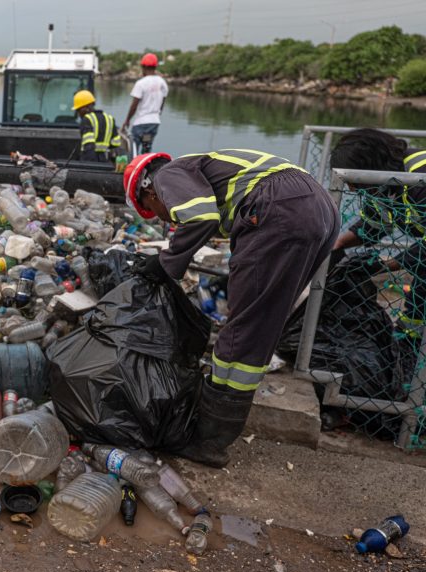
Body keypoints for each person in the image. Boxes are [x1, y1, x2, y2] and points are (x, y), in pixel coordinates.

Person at [124, 149, 339, 467]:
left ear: (149, 191)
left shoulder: (166, 175)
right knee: (260, 325)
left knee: (244, 332)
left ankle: (209, 441)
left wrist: (166, 263)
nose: (164, 218)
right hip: (319, 209)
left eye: (154, 211)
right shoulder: (204, 166)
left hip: (280, 206)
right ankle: (215, 430)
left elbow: (201, 217)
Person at [330, 128, 426, 339]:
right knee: (415, 310)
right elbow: (374, 225)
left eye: (355, 182)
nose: (354, 190)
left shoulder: (419, 176)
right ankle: (410, 351)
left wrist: (388, 264)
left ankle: (413, 350)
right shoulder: (383, 183)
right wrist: (336, 244)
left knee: (420, 294)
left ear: (369, 167)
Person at [122, 53, 168, 155]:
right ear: (155, 67)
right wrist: (156, 114)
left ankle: (133, 169)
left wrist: (127, 120)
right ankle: (145, 169)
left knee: (133, 150)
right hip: (154, 123)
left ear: (143, 67)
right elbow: (162, 103)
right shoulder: (162, 83)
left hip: (141, 123)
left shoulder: (141, 83)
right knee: (146, 150)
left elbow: (134, 105)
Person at [72, 90, 121, 162]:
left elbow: (88, 146)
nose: (78, 114)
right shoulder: (110, 118)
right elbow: (115, 145)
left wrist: (89, 166)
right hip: (104, 161)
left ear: (86, 107)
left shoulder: (87, 119)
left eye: (78, 110)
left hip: (89, 162)